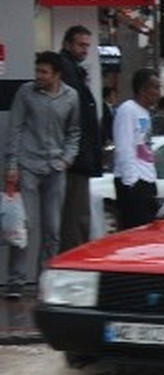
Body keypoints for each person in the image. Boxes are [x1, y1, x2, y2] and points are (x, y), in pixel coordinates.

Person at [5, 51, 81, 299]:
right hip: (28, 164)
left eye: (44, 72)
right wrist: (12, 166)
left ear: (56, 74)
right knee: (24, 225)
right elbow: (15, 129)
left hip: (55, 168)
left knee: (52, 229)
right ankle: (16, 281)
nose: (38, 76)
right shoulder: (26, 93)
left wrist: (66, 159)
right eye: (37, 71)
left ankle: (45, 280)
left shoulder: (71, 97)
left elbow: (74, 131)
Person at [58, 25, 103, 252]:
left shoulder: (72, 70)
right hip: (76, 158)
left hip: (77, 155)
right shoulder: (67, 71)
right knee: (75, 217)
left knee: (77, 216)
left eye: (87, 45)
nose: (85, 50)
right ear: (67, 44)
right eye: (80, 44)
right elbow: (74, 119)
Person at [112, 67, 162, 229]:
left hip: (147, 179)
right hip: (134, 182)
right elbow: (124, 145)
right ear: (142, 89)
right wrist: (131, 182)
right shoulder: (128, 110)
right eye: (154, 87)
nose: (158, 92)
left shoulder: (145, 113)